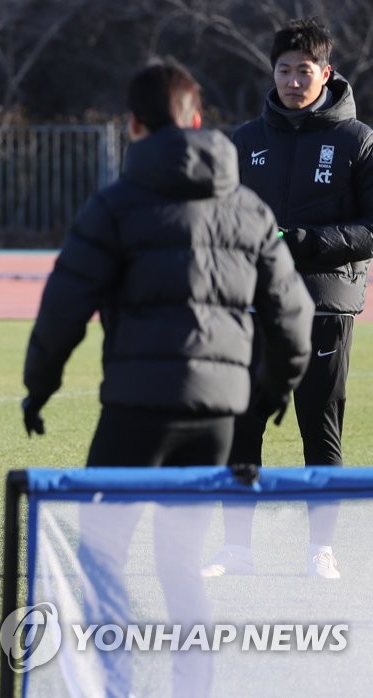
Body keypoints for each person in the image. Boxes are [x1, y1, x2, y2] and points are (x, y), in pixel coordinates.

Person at [22, 60, 313, 697]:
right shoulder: (249, 207)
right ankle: (193, 689)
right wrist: (275, 389)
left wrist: (39, 385)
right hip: (217, 414)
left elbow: (66, 302)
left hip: (136, 407)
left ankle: (118, 681)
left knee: (100, 553)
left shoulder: (117, 203)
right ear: (199, 120)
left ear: (133, 126)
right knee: (180, 562)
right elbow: (294, 312)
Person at [203, 17, 373, 580]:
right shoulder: (245, 140)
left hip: (325, 304)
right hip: (253, 305)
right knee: (241, 423)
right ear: (271, 73)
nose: (294, 80)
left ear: (326, 73)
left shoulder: (357, 141)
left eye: (305, 70)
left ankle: (320, 550)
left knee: (318, 425)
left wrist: (303, 242)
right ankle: (236, 550)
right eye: (284, 69)